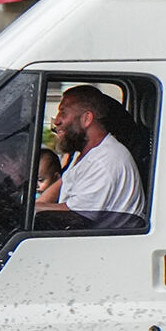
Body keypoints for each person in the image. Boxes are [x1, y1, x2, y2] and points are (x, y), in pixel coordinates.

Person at [36, 86, 145, 227]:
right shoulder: (85, 154)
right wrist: (35, 206)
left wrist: (35, 209)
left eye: (63, 113)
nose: (56, 121)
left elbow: (76, 214)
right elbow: (62, 184)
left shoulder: (105, 160)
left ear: (87, 118)